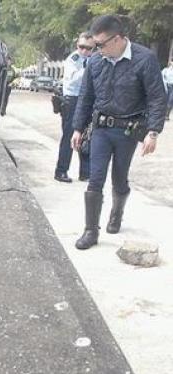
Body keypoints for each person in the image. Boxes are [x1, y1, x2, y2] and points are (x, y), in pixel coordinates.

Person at [71, 15, 167, 250]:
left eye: (101, 44)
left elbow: (157, 97)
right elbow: (86, 97)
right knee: (95, 179)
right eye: (95, 45)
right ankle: (91, 230)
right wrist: (77, 128)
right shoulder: (95, 62)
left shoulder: (145, 59)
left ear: (119, 39)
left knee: (119, 177)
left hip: (128, 130)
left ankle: (116, 213)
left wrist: (153, 132)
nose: (97, 49)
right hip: (101, 128)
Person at [54, 32, 95, 183]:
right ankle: (61, 170)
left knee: (87, 137)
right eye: (81, 47)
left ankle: (85, 172)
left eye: (89, 48)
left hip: (88, 101)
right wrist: (89, 69)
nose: (84, 51)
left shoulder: (94, 59)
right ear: (77, 45)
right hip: (72, 100)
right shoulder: (73, 59)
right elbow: (72, 80)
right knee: (69, 136)